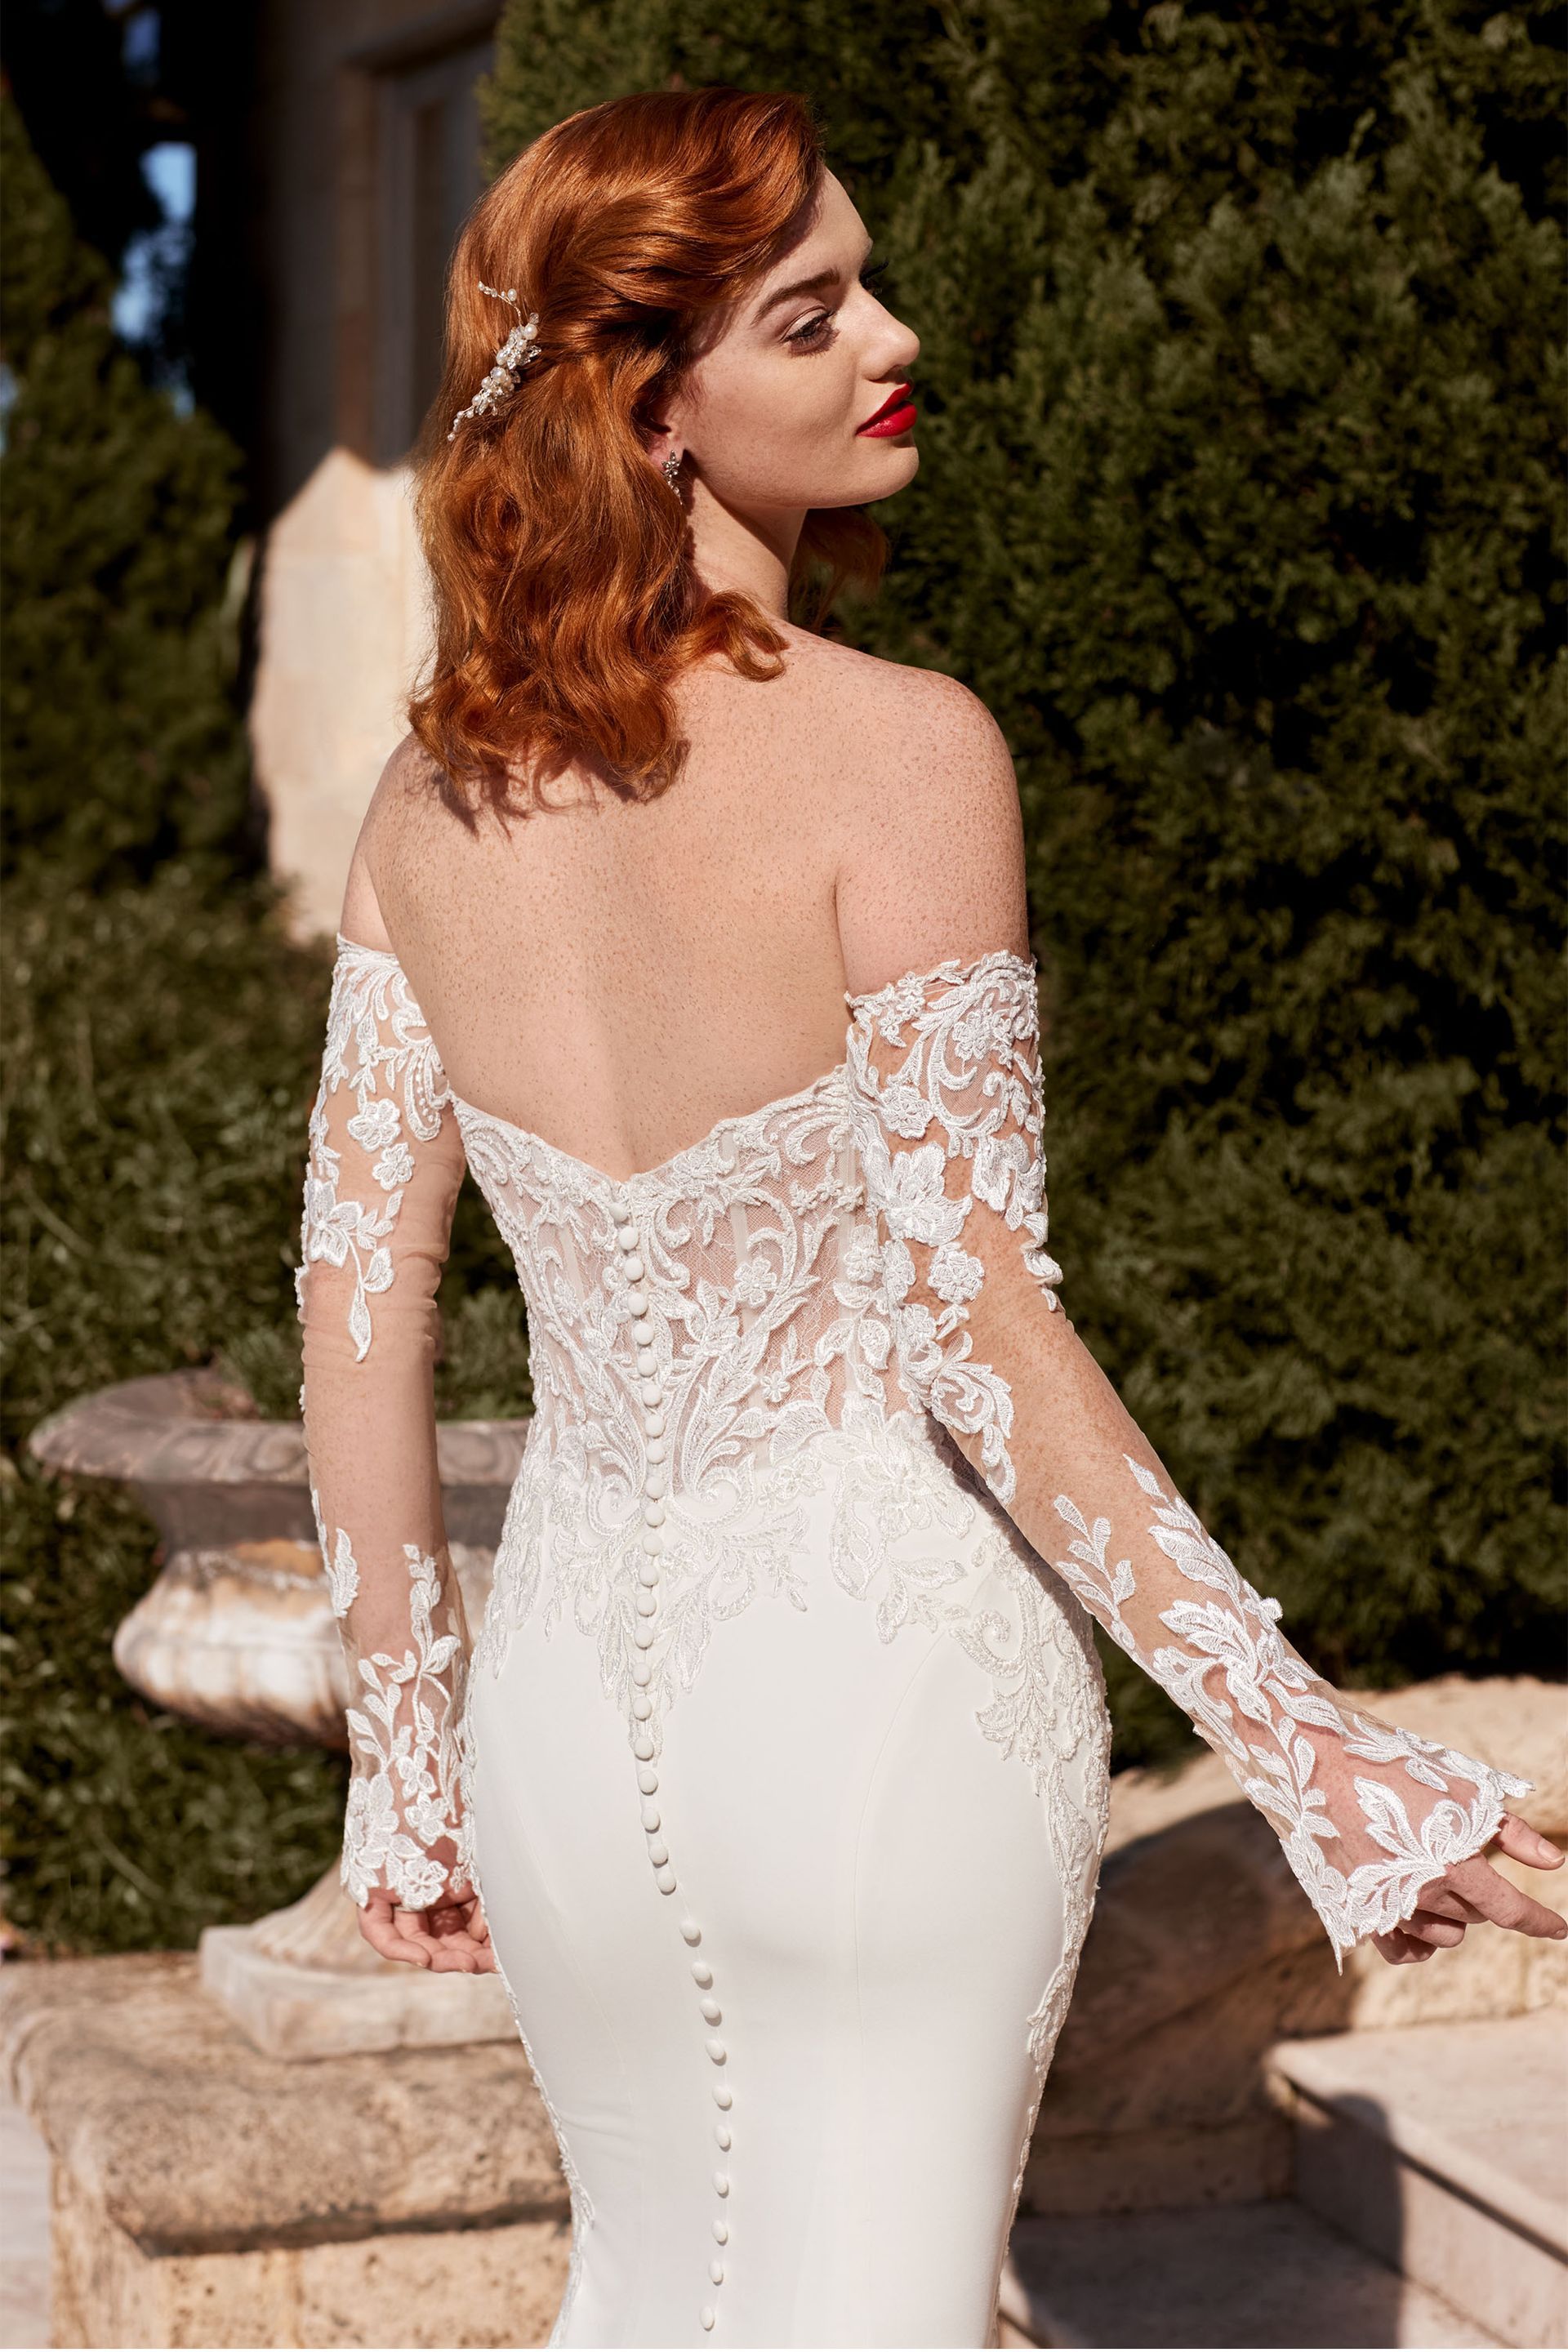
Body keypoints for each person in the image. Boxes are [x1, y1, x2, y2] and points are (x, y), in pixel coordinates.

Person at [295, 85, 1563, 2351]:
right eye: (814, 312)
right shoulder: (908, 751)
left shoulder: (424, 801)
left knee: (649, 2310)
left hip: (569, 1724)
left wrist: (410, 1764)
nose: (894, 334)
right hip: (888, 1695)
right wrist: (1314, 1749)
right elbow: (983, 1323)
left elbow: (354, 1324)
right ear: (655, 410)